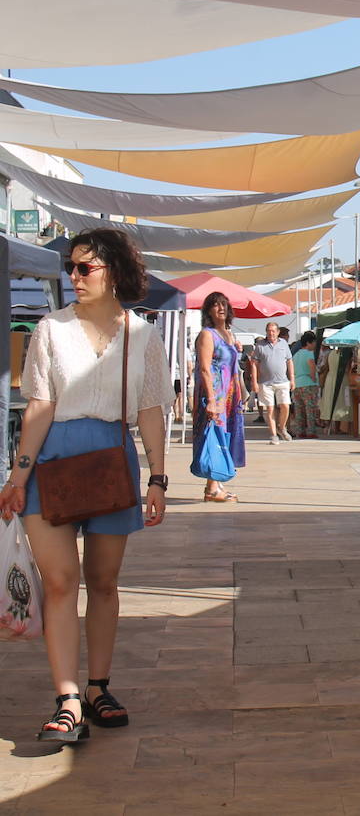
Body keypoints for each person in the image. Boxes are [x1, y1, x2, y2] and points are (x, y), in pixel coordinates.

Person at [0, 228, 174, 744]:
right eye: (71, 268)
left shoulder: (142, 334)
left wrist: (159, 478)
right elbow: (38, 406)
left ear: (114, 271)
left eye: (85, 268)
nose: (73, 277)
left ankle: (99, 687)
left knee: (103, 582)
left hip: (111, 461)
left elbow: (150, 410)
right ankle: (68, 698)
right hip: (52, 460)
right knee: (59, 582)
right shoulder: (50, 330)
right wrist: (16, 477)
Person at [193, 292, 247, 501]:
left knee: (223, 435)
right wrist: (212, 400)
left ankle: (215, 482)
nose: (221, 308)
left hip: (228, 395)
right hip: (214, 394)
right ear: (208, 310)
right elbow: (205, 369)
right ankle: (211, 488)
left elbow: (233, 367)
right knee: (214, 435)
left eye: (224, 304)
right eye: (215, 305)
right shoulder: (207, 334)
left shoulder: (228, 334)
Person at [248, 322, 293, 444]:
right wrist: (254, 382)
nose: (270, 333)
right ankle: (273, 435)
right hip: (265, 382)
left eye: (273, 331)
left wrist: (292, 379)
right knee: (270, 408)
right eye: (268, 331)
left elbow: (289, 361)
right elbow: (254, 364)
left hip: (282, 381)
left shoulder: (284, 344)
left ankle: (282, 427)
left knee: (285, 406)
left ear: (278, 332)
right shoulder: (260, 346)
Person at [289, 331, 323, 439]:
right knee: (310, 409)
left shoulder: (296, 354)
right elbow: (311, 366)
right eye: (313, 343)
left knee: (299, 409)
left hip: (297, 384)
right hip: (308, 383)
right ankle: (311, 431)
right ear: (308, 343)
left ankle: (300, 431)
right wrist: (313, 378)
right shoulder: (308, 353)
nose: (314, 345)